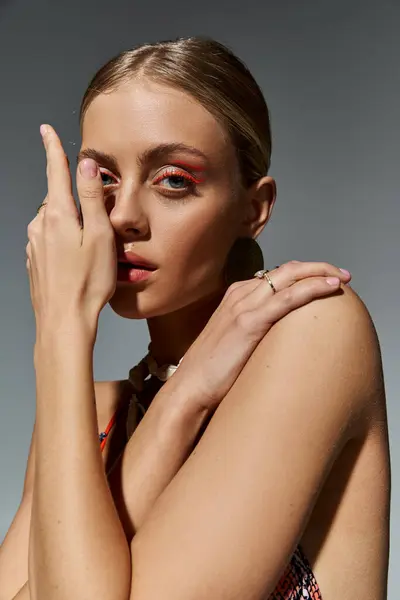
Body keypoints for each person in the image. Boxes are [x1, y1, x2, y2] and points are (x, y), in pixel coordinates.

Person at [0, 36, 390, 600]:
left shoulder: (316, 329)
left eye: (174, 180)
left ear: (253, 209)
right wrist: (70, 337)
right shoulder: (91, 414)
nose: (125, 216)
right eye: (102, 179)